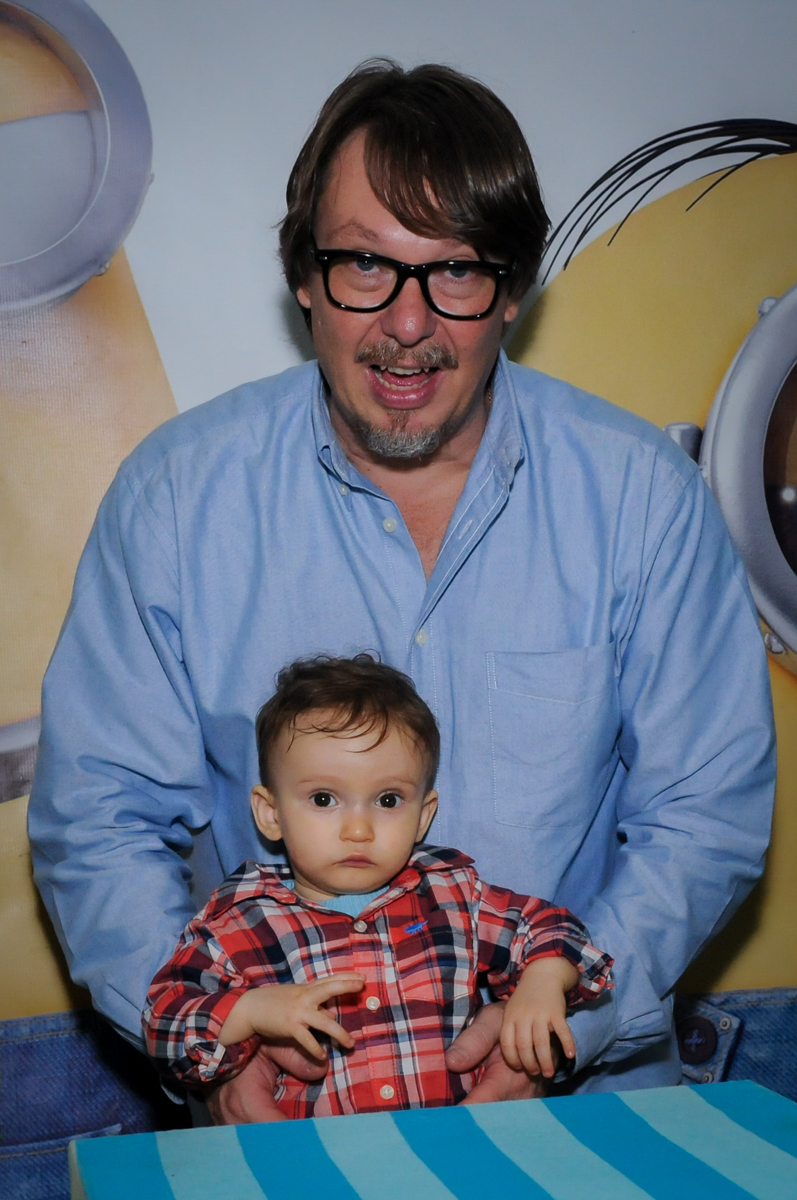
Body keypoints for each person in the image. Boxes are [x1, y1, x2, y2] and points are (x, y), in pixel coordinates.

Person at [29, 60, 775, 1123]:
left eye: (456, 272)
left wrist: (555, 1025)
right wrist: (215, 1049)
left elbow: (702, 812)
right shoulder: (175, 498)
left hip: (581, 1119)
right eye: (363, 266)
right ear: (302, 276)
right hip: (279, 1132)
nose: (407, 323)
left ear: (512, 287)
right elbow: (98, 819)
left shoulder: (642, 500)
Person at [143, 655, 613, 1116]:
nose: (359, 829)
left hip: (459, 1154)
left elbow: (549, 927)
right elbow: (165, 1023)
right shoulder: (240, 919)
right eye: (324, 798)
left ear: (423, 815)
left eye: (388, 800)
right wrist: (246, 1012)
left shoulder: (452, 895)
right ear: (271, 813)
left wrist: (544, 978)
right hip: (315, 1169)